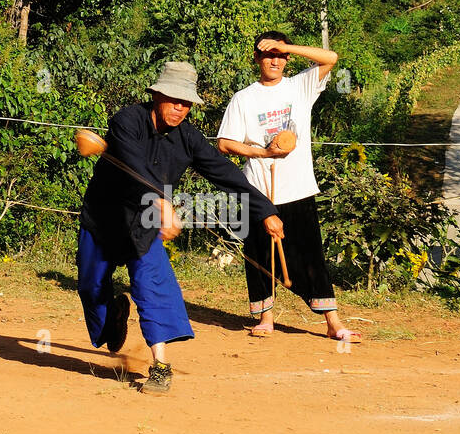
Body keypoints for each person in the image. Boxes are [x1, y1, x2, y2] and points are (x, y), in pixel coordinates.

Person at [78, 60, 284, 394]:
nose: (179, 107)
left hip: (144, 222)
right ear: (156, 95)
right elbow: (134, 162)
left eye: (186, 102)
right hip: (103, 216)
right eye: (174, 99)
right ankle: (114, 315)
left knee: (152, 285)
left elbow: (224, 172)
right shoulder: (126, 122)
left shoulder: (188, 138)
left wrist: (264, 211)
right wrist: (160, 199)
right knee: (90, 287)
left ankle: (160, 366)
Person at [216, 31, 360, 343]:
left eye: (280, 55)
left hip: (298, 188)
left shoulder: (300, 87)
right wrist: (262, 153)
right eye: (267, 54)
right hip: (258, 190)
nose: (274, 60)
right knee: (259, 257)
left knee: (310, 256)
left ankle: (332, 322)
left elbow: (331, 58)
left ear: (287, 58)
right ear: (256, 59)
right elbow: (224, 144)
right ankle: (266, 318)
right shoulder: (244, 98)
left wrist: (286, 45)